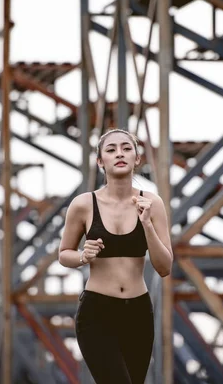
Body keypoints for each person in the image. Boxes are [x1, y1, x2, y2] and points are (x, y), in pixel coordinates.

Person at [58, 128, 173, 384]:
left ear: (136, 158)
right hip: (97, 312)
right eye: (110, 150)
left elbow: (164, 267)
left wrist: (147, 226)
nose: (119, 153)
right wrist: (82, 257)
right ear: (101, 161)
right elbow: (63, 254)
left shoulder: (152, 204)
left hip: (138, 312)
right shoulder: (83, 204)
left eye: (126, 148)